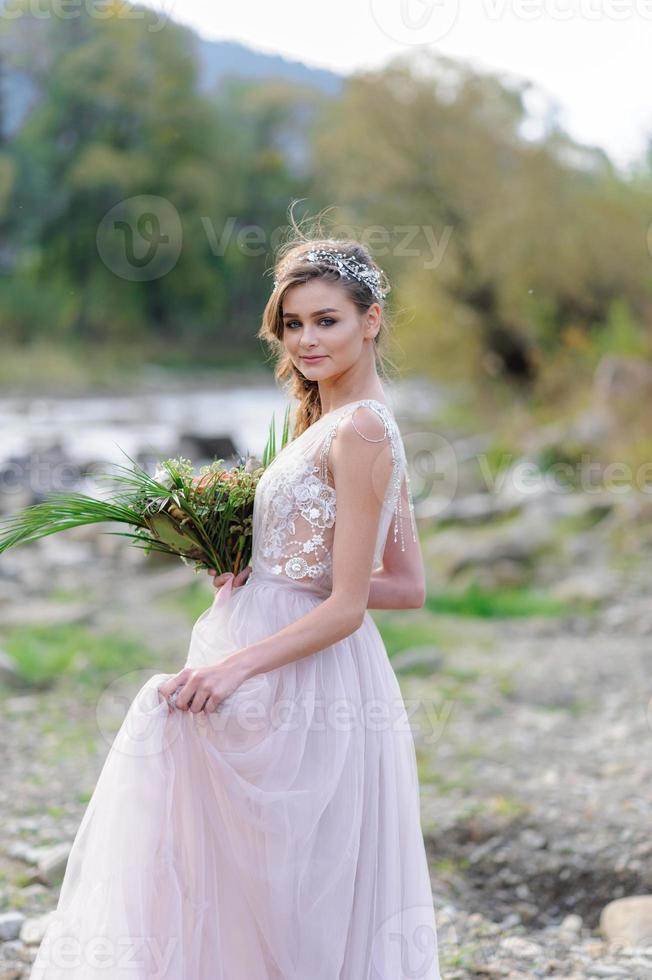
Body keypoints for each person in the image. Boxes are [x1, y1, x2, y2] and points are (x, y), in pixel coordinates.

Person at [29, 219, 442, 979]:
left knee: (277, 872)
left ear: (370, 320)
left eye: (327, 321)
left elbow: (353, 602)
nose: (306, 341)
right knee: (235, 855)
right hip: (267, 637)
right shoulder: (323, 419)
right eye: (292, 324)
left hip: (298, 669)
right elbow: (407, 584)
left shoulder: (365, 432)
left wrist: (236, 666)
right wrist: (261, 571)